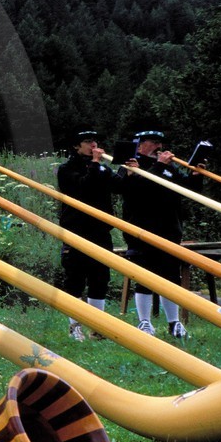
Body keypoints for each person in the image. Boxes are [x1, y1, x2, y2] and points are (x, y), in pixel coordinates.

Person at [119, 128, 200, 337]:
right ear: (140, 144)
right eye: (154, 142)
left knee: (170, 276)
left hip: (169, 229)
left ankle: (174, 323)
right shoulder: (130, 164)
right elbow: (137, 190)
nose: (159, 147)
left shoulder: (167, 167)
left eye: (159, 143)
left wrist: (196, 174)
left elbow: (188, 189)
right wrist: (159, 165)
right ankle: (144, 322)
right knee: (145, 276)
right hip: (141, 229)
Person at [55, 129, 122, 342]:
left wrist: (127, 172)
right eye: (87, 141)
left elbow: (118, 187)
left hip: (100, 230)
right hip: (76, 229)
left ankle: (97, 326)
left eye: (94, 141)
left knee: (100, 277)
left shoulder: (101, 167)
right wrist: (95, 164)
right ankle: (74, 326)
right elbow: (82, 188)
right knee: (75, 277)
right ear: (76, 146)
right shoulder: (66, 169)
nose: (93, 144)